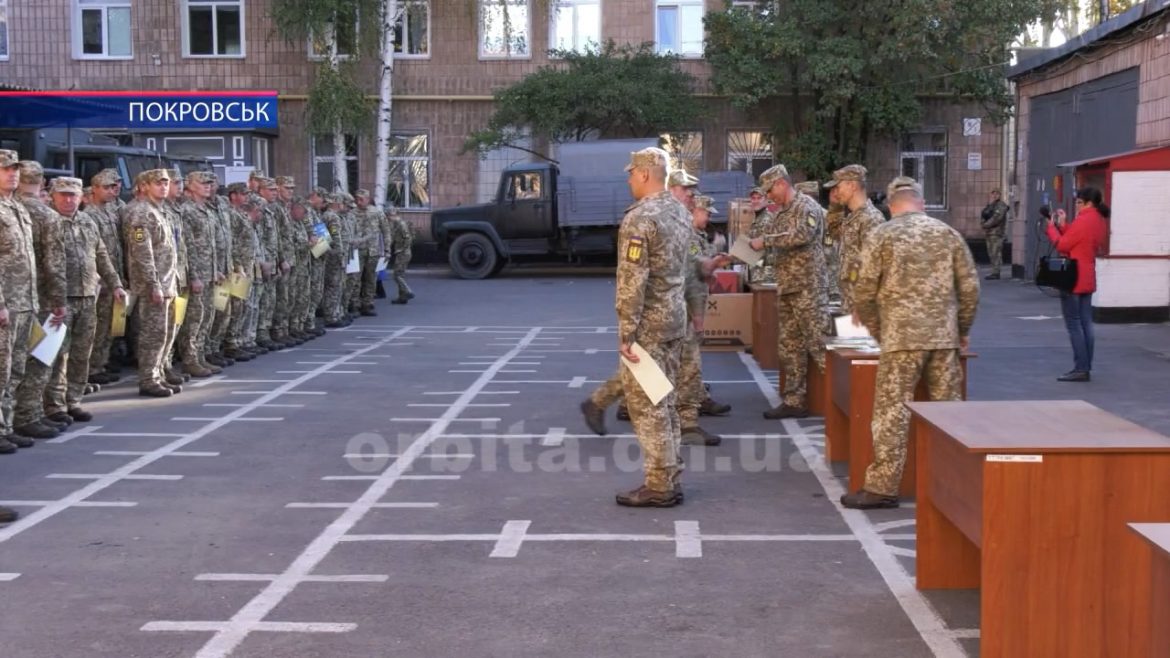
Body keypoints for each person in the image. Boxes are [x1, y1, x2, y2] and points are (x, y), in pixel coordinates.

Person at [840, 177, 980, 509]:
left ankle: (882, 487)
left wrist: (877, 330)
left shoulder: (881, 235)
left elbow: (864, 290)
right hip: (943, 340)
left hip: (900, 339)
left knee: (891, 413)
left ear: (891, 206)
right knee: (951, 417)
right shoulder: (948, 234)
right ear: (922, 203)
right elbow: (970, 288)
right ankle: (957, 487)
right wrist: (961, 329)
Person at [613, 147, 689, 508]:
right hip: (675, 317)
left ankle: (659, 484)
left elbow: (632, 280)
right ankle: (670, 473)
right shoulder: (678, 210)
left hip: (649, 326)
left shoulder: (640, 218)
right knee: (668, 400)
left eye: (631, 173)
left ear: (645, 174)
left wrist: (627, 332)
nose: (629, 180)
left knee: (648, 404)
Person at [749, 165, 829, 419]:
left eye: (770, 190)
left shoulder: (806, 207)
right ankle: (795, 400)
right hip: (788, 288)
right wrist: (735, 255)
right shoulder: (781, 213)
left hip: (808, 288)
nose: (769, 196)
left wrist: (766, 241)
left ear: (782, 183)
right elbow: (767, 244)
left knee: (819, 345)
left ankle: (845, 399)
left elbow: (801, 235)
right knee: (790, 347)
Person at [43, 177, 125, 424]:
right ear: (53, 196)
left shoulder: (87, 221)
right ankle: (53, 405)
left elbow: (101, 255)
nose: (68, 200)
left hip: (87, 296)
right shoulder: (48, 222)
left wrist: (116, 284)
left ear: (81, 197)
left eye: (73, 195)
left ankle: (73, 400)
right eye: (63, 195)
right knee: (57, 355)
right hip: (59, 300)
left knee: (81, 353)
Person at [125, 169, 181, 398]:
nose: (163, 187)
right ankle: (148, 379)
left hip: (168, 283)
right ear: (145, 186)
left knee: (165, 334)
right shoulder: (142, 213)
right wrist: (153, 284)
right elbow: (142, 252)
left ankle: (158, 374)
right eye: (158, 183)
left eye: (165, 183)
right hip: (153, 285)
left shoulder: (161, 211)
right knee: (152, 334)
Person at [0, 151, 41, 460]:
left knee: (15, 369)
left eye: (15, 169)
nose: (12, 174)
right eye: (5, 169)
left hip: (24, 300)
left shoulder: (16, 207)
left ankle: (7, 424)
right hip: (6, 304)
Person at [1047, 187, 1109, 382]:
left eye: (1079, 202)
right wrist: (1064, 225)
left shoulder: (1084, 219)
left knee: (1074, 324)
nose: (1076, 205)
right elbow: (1077, 240)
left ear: (1089, 203)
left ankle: (1081, 368)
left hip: (1073, 276)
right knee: (1086, 323)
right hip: (1088, 275)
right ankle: (1086, 364)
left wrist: (1052, 228)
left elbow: (1064, 245)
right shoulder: (1098, 220)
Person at [824, 164, 885, 316]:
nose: (836, 192)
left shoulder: (871, 219)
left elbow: (873, 267)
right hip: (850, 299)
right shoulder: (853, 217)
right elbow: (835, 233)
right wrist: (835, 207)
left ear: (851, 186)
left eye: (838, 187)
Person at [387, 207, 415, 304]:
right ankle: (402, 297)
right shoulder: (396, 224)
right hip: (402, 252)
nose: (389, 218)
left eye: (390, 215)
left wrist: (402, 249)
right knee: (400, 274)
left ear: (395, 215)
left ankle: (408, 291)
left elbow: (408, 238)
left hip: (403, 253)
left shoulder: (401, 224)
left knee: (396, 275)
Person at [981, 188, 1010, 280]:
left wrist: (985, 225)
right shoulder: (990, 206)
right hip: (989, 232)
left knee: (996, 252)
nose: (995, 196)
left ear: (1000, 195)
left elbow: (997, 218)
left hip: (997, 232)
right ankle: (994, 271)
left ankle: (996, 272)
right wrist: (983, 224)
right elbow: (983, 215)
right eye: (993, 194)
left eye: (997, 194)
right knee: (991, 253)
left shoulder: (1001, 205)